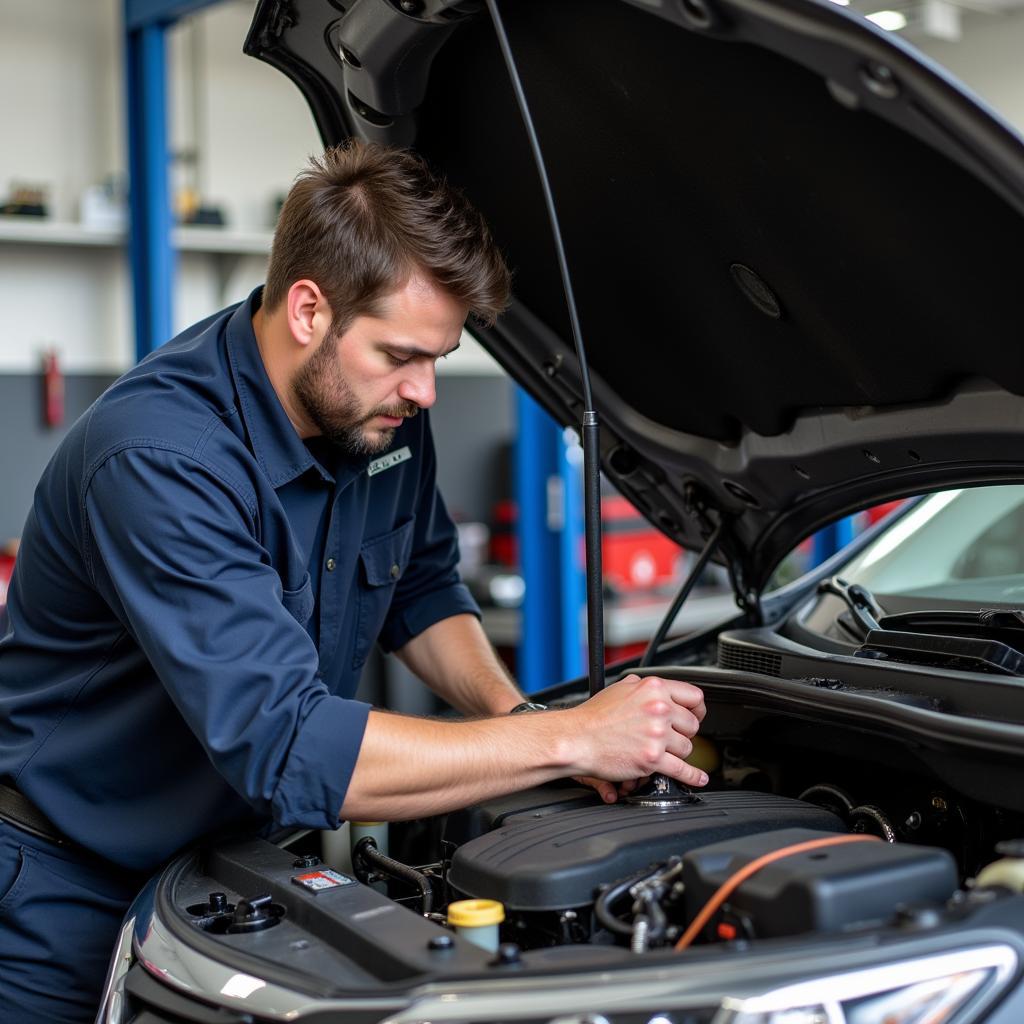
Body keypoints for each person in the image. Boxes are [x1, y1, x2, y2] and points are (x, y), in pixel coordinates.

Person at [0, 141, 708, 1023]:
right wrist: (568, 739)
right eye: (402, 354)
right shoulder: (158, 458)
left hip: (240, 864)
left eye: (440, 359)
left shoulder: (379, 417)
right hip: (67, 883)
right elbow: (288, 745)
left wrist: (512, 716)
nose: (425, 391)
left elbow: (421, 590)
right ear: (308, 309)